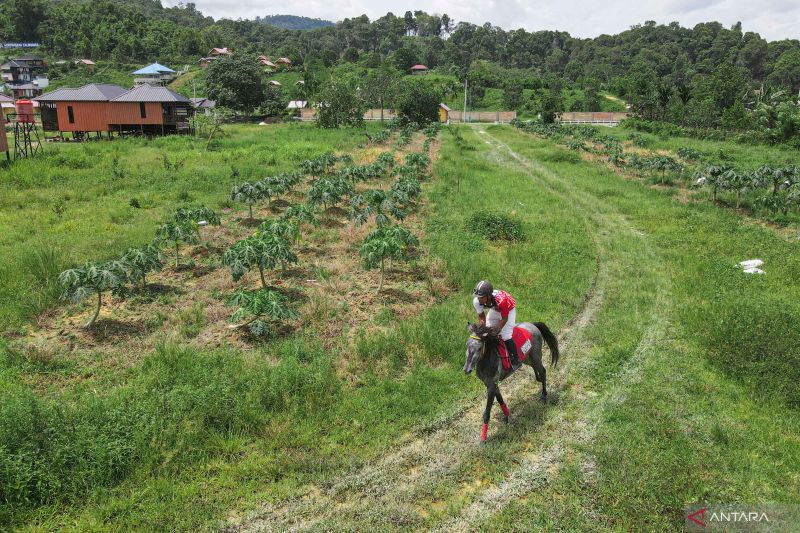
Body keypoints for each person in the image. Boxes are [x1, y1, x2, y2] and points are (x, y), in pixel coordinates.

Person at [472, 280, 520, 367]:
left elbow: (504, 319)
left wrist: (496, 331)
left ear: (489, 296)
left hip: (508, 311)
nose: (479, 300)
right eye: (478, 297)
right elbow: (482, 316)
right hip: (495, 309)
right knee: (487, 330)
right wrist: (482, 329)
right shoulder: (477, 301)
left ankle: (516, 359)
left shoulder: (501, 300)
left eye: (481, 297)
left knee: (505, 335)